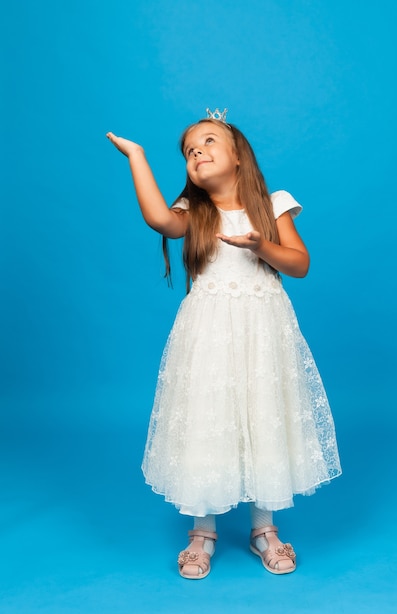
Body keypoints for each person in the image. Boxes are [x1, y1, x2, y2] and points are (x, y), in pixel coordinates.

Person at [106, 108, 341, 579]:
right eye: (190, 151)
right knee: (208, 416)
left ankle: (264, 529)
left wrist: (260, 247)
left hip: (263, 328)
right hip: (209, 327)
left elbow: (299, 264)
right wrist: (137, 156)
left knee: (264, 412)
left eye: (209, 142)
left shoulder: (272, 204)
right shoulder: (193, 211)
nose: (197, 152)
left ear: (238, 157)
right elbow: (159, 220)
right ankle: (202, 530)